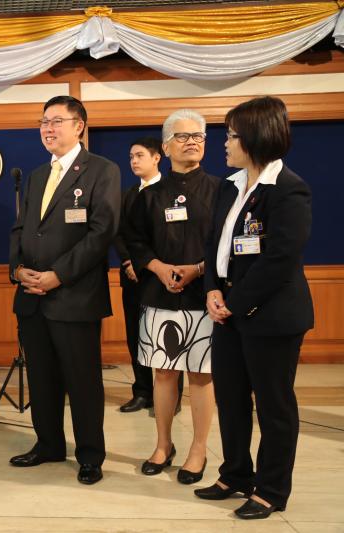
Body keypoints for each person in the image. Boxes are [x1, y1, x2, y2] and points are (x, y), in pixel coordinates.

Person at [196, 96, 313, 520]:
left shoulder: (288, 189)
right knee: (231, 400)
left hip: (271, 315)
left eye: (232, 135)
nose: (225, 143)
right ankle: (235, 474)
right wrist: (212, 290)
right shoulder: (230, 185)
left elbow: (280, 259)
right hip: (227, 311)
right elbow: (214, 245)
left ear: (256, 137)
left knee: (273, 406)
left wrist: (234, 303)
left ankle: (271, 489)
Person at [8, 95, 120, 485]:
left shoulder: (102, 170)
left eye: (56, 121)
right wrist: (17, 270)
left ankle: (89, 455)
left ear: (79, 126)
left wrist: (58, 275)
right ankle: (49, 444)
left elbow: (101, 232)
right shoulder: (37, 175)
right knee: (41, 379)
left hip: (74, 296)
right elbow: (21, 228)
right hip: (31, 297)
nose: (48, 128)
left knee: (82, 381)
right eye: (43, 122)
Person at [125, 109, 219, 485]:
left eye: (198, 136)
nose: (191, 142)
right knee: (163, 373)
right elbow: (135, 241)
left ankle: (198, 449)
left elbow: (225, 244)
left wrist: (198, 268)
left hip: (204, 296)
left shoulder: (222, 190)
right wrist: (158, 267)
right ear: (166, 147)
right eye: (182, 136)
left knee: (201, 375)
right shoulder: (149, 195)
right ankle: (163, 445)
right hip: (158, 293)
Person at [115, 137, 161, 413]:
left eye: (139, 155)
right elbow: (118, 232)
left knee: (165, 336)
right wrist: (128, 261)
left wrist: (145, 263)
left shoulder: (168, 191)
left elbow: (169, 237)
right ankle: (143, 391)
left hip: (160, 277)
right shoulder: (128, 194)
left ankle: (169, 396)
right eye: (131, 156)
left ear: (156, 158)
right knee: (135, 335)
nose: (134, 161)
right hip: (131, 277)